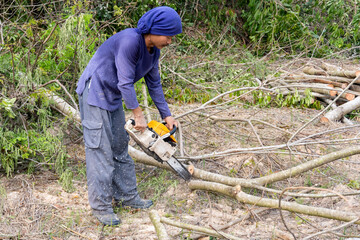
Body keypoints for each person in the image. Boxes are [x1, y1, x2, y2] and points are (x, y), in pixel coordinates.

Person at [76, 6, 181, 226]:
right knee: (100, 151)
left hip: (112, 96)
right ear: (154, 29)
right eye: (168, 35)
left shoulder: (154, 52)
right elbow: (125, 82)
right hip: (95, 93)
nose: (170, 41)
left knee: (119, 146)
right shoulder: (130, 42)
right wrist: (138, 115)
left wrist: (167, 115)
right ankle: (102, 207)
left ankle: (127, 197)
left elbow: (154, 84)